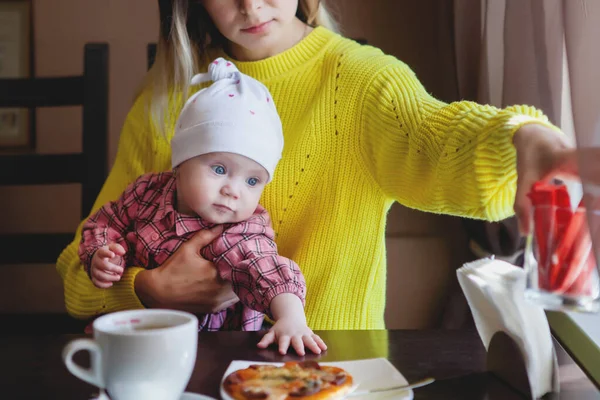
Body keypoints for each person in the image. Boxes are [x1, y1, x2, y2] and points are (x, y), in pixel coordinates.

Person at [57, 0, 579, 331]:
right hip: (192, 375)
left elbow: (439, 140)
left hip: (333, 367)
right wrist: (146, 288)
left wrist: (524, 141)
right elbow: (77, 279)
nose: (250, 4)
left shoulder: (361, 80)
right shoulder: (167, 99)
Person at [77, 58, 326, 355]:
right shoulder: (146, 191)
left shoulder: (240, 230)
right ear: (180, 164)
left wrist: (291, 317)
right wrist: (100, 254)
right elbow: (104, 223)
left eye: (252, 181)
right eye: (219, 169)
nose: (232, 190)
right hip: (138, 338)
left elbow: (267, 270)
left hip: (213, 350)